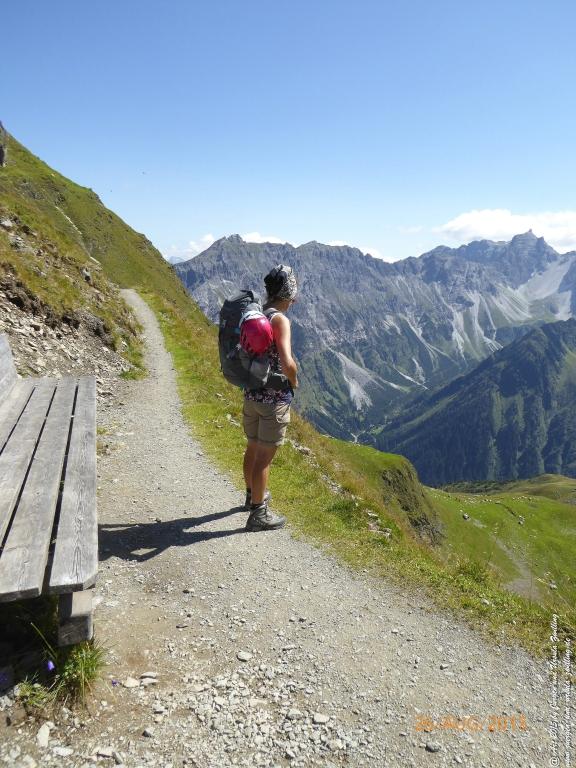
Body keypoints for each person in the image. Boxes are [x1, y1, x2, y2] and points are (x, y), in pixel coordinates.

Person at [243, 265, 299, 531]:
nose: (294, 302)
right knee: (264, 457)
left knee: (252, 448)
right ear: (286, 295)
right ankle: (258, 513)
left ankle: (250, 496)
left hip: (251, 394)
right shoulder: (279, 319)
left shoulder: (256, 313)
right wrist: (294, 380)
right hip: (273, 399)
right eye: (292, 296)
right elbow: (287, 362)